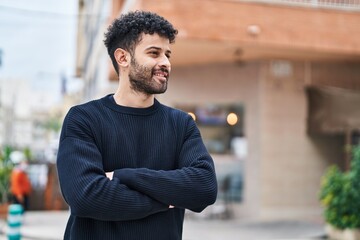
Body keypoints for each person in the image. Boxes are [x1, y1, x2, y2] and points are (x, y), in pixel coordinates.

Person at [56, 11, 217, 240]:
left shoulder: (181, 125)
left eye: (167, 54)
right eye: (154, 53)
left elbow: (204, 187)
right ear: (123, 58)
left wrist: (125, 176)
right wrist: (168, 199)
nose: (165, 63)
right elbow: (85, 196)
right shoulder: (83, 119)